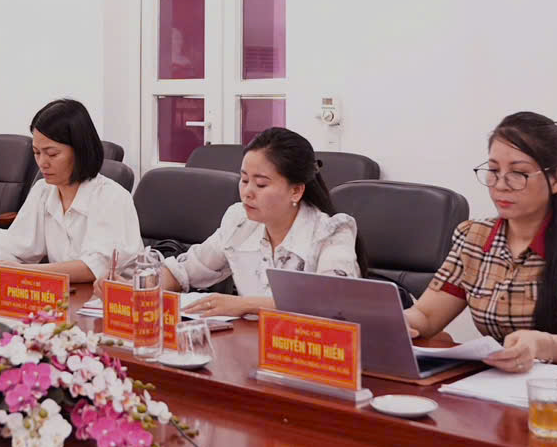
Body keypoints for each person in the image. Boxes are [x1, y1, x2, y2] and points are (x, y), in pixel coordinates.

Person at [404, 112, 557, 373]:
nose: (501, 185)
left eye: (518, 173)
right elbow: (427, 315)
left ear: (556, 179)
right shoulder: (474, 236)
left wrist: (542, 345)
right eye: (494, 171)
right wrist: (399, 321)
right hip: (497, 381)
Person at [101, 127, 364, 318]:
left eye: (261, 184)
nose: (247, 192)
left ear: (296, 190)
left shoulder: (332, 231)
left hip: (307, 353)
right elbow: (187, 270)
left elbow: (332, 302)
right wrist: (132, 288)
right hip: (250, 347)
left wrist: (244, 305)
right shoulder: (240, 220)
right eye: (244, 180)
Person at [0, 99, 142, 283]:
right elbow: (13, 245)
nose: (42, 163)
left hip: (111, 296)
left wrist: (22, 271)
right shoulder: (43, 191)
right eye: (36, 153)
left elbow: (94, 268)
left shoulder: (112, 197)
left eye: (52, 154)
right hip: (65, 293)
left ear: (80, 151)